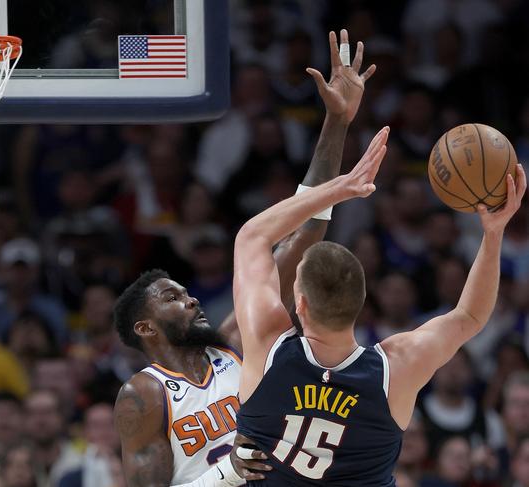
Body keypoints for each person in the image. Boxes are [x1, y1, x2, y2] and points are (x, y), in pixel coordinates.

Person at [113, 29, 376, 487]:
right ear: (145, 326)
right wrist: (228, 473)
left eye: (186, 292)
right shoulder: (144, 393)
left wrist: (337, 122)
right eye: (173, 298)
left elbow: (303, 236)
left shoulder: (232, 345)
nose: (192, 300)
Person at [231, 121, 526, 485]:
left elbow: (251, 237)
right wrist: (494, 233)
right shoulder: (396, 369)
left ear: (300, 304)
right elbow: (470, 315)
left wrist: (343, 187)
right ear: (363, 300)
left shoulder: (267, 344)